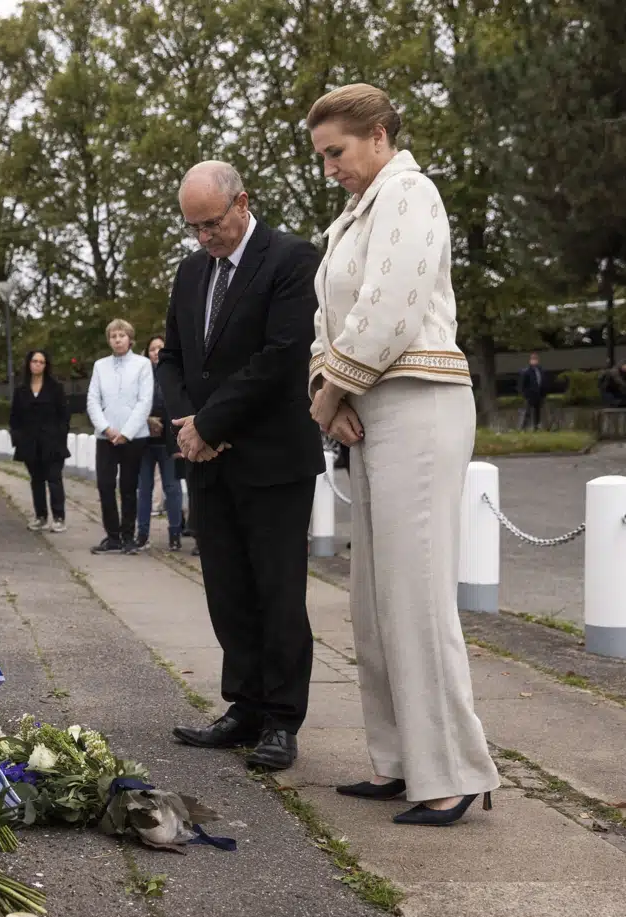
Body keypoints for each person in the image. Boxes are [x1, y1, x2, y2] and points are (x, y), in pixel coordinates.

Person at [306, 83, 499, 826]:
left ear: (380, 134)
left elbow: (389, 308)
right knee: (375, 600)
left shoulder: (411, 195)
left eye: (338, 151)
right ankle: (402, 761)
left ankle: (449, 771)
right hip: (373, 406)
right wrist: (339, 393)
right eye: (322, 155)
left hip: (420, 403)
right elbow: (332, 317)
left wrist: (326, 396)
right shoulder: (356, 216)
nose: (329, 168)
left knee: (415, 596)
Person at [155, 160, 324, 771]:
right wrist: (188, 426)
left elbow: (281, 357)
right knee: (227, 590)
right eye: (193, 227)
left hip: (272, 458)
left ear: (242, 203)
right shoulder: (191, 272)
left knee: (278, 592)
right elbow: (173, 360)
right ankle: (243, 706)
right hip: (207, 458)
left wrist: (210, 425)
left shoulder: (290, 259)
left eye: (212, 223)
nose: (204, 238)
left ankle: (282, 718)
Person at [85, 319, 154, 554]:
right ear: (109, 340)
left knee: (128, 486)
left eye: (121, 335)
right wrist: (106, 428)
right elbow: (93, 399)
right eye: (113, 336)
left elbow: (145, 401)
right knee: (105, 485)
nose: (117, 339)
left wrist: (126, 433)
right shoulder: (100, 366)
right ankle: (112, 536)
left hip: (134, 437)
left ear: (130, 338)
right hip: (106, 437)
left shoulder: (142, 365)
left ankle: (128, 536)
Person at [10, 349, 71, 533]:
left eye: (41, 362)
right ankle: (40, 516)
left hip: (52, 443)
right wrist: (18, 439)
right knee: (36, 481)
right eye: (34, 361)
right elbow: (14, 418)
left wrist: (60, 437)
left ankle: (59, 517)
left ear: (46, 365)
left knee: (54, 479)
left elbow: (64, 416)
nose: (37, 364)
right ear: (29, 364)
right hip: (29, 444)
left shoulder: (55, 388)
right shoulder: (21, 391)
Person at [135, 334, 185, 552]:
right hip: (144, 439)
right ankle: (142, 533)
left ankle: (175, 533)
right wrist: (145, 419)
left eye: (160, 348)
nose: (156, 352)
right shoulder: (141, 374)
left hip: (168, 441)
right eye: (152, 348)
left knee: (172, 488)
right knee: (144, 489)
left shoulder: (173, 373)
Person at [518, 352, 546, 429]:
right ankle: (523, 427)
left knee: (537, 412)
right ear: (530, 360)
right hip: (529, 395)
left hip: (539, 394)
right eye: (533, 359)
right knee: (527, 412)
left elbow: (542, 382)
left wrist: (543, 394)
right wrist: (524, 394)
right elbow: (522, 384)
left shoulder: (540, 370)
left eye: (536, 359)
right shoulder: (526, 371)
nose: (534, 361)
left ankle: (536, 427)